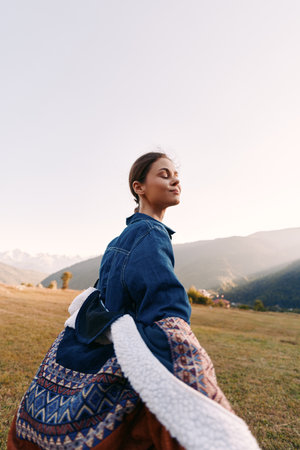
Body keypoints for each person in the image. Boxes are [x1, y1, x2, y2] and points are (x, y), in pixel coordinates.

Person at [8, 152, 259, 449]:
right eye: (164, 174)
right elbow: (165, 303)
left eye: (176, 174)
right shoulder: (150, 233)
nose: (175, 179)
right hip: (131, 350)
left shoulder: (121, 238)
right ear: (139, 187)